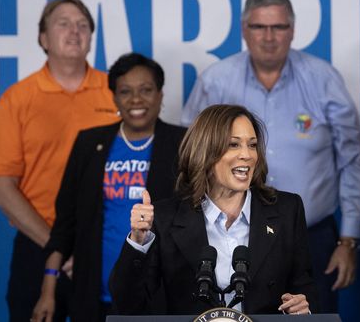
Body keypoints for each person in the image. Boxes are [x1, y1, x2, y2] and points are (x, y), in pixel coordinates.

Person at [181, 0, 360, 313]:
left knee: (314, 317)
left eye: (278, 27)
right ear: (244, 30)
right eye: (259, 27)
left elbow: (353, 161)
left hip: (314, 238)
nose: (269, 37)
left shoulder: (324, 80)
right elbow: (190, 157)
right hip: (229, 235)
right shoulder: (216, 81)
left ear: (292, 30)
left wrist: (348, 240)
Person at [0, 0, 118, 321]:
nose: (74, 31)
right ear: (43, 39)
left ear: (90, 39)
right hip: (38, 244)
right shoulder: (18, 99)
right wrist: (58, 248)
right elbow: (2, 189)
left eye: (83, 25)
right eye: (63, 23)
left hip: (104, 245)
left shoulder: (117, 92)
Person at [110, 104, 317, 315]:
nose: (247, 155)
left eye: (252, 145)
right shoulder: (165, 218)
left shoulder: (287, 211)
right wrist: (138, 241)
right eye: (233, 145)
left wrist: (303, 310)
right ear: (205, 151)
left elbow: (304, 289)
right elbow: (128, 305)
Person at [30, 53, 186, 321]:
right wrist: (48, 289)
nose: (136, 100)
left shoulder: (183, 144)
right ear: (114, 98)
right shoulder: (90, 144)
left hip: (159, 296)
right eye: (125, 91)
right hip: (94, 296)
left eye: (146, 90)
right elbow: (65, 224)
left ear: (160, 96)